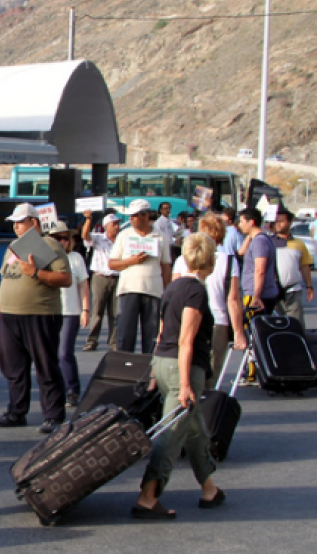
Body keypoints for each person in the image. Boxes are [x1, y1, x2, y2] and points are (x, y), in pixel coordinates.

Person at [131, 233, 227, 520]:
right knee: (171, 434)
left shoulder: (172, 288)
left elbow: (162, 332)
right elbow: (186, 339)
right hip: (182, 368)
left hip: (163, 362)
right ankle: (148, 497)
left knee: (194, 428)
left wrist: (152, 373)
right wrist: (185, 384)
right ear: (210, 260)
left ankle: (209, 488)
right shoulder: (197, 292)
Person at [0, 203, 72, 433]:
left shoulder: (49, 244)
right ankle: (17, 411)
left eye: (20, 222)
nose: (16, 226)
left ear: (34, 223)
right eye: (14, 222)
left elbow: (65, 279)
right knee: (14, 367)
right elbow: (4, 280)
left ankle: (54, 415)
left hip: (40, 314)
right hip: (10, 314)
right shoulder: (12, 248)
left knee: (45, 365)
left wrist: (37, 273)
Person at [172, 213, 245, 389]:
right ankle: (206, 407)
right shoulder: (228, 261)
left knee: (188, 369)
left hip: (186, 319)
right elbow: (233, 299)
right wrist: (238, 331)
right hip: (217, 321)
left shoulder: (183, 259)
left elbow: (175, 291)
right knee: (212, 374)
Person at [110, 199, 173, 354]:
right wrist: (132, 261)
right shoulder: (124, 235)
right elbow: (112, 264)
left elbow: (166, 267)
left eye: (135, 216)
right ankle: (125, 367)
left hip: (153, 291)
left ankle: (148, 372)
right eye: (130, 216)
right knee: (125, 334)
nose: (131, 219)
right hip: (128, 289)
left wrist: (168, 292)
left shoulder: (161, 236)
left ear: (146, 216)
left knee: (151, 336)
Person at [48, 222, 90, 407]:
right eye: (58, 238)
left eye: (66, 238)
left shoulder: (75, 258)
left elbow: (84, 285)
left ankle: (72, 390)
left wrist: (86, 309)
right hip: (49, 310)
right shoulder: (44, 257)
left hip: (70, 310)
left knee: (65, 352)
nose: (63, 242)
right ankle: (54, 389)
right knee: (49, 353)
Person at [81, 212, 121, 351]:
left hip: (118, 277)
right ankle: (92, 341)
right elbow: (85, 235)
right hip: (100, 277)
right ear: (106, 226)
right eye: (114, 224)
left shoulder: (122, 240)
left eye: (118, 224)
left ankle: (114, 343)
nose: (117, 227)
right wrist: (88, 219)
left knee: (115, 313)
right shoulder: (99, 238)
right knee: (97, 311)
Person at [271, 209, 313, 328]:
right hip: (273, 291)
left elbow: (305, 266)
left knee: (296, 324)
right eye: (276, 221)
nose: (278, 224)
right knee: (275, 324)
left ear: (290, 222)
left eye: (282, 221)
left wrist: (309, 286)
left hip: (293, 290)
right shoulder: (268, 242)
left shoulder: (299, 244)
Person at [236, 208, 280, 315]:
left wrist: (257, 296)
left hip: (259, 296)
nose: (239, 225)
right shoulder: (257, 239)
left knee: (255, 328)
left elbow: (260, 270)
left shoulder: (259, 241)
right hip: (258, 293)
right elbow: (240, 252)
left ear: (251, 222)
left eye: (242, 221)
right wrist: (249, 236)